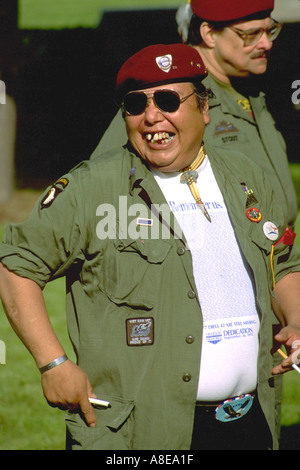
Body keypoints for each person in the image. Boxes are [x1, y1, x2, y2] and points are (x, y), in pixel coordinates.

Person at [0, 43, 300, 451]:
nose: (152, 116)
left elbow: (281, 264)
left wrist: (295, 319)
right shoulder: (93, 188)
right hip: (140, 434)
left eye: (168, 100)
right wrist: (52, 363)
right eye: (135, 104)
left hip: (249, 423)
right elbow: (17, 266)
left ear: (205, 108)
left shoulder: (247, 177)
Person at [90, 0, 298, 232]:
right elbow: (97, 190)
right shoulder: (170, 96)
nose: (267, 43)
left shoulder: (249, 90)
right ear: (209, 34)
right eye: (251, 34)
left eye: (270, 30)